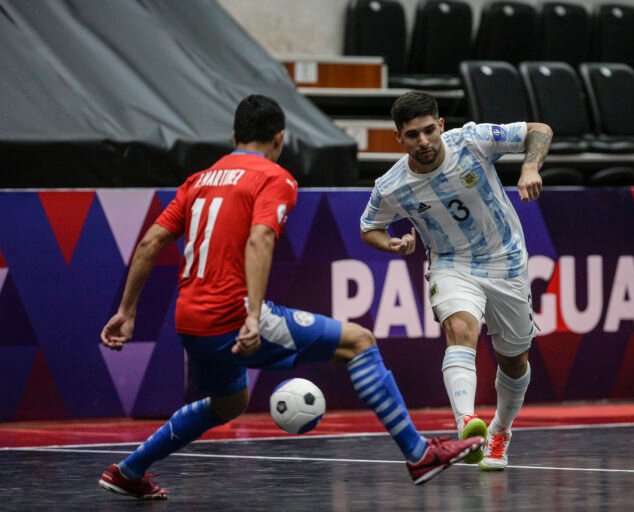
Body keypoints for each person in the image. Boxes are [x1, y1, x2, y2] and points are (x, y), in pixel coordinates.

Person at [98, 94, 482, 500]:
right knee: (359, 342)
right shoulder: (273, 177)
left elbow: (150, 243)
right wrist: (251, 315)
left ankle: (129, 470)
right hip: (233, 315)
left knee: (228, 403)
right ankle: (419, 454)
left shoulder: (199, 180)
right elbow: (260, 238)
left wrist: (126, 311)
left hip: (190, 321)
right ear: (280, 139)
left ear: (234, 136)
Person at [359, 91, 552, 471]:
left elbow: (539, 130)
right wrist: (393, 243)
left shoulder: (473, 140)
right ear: (399, 138)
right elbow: (369, 228)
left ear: (441, 125)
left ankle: (500, 430)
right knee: (459, 326)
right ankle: (467, 424)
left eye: (429, 130)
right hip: (451, 264)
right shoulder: (391, 185)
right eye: (412, 135)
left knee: (514, 361)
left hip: (506, 261)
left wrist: (530, 167)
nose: (424, 141)